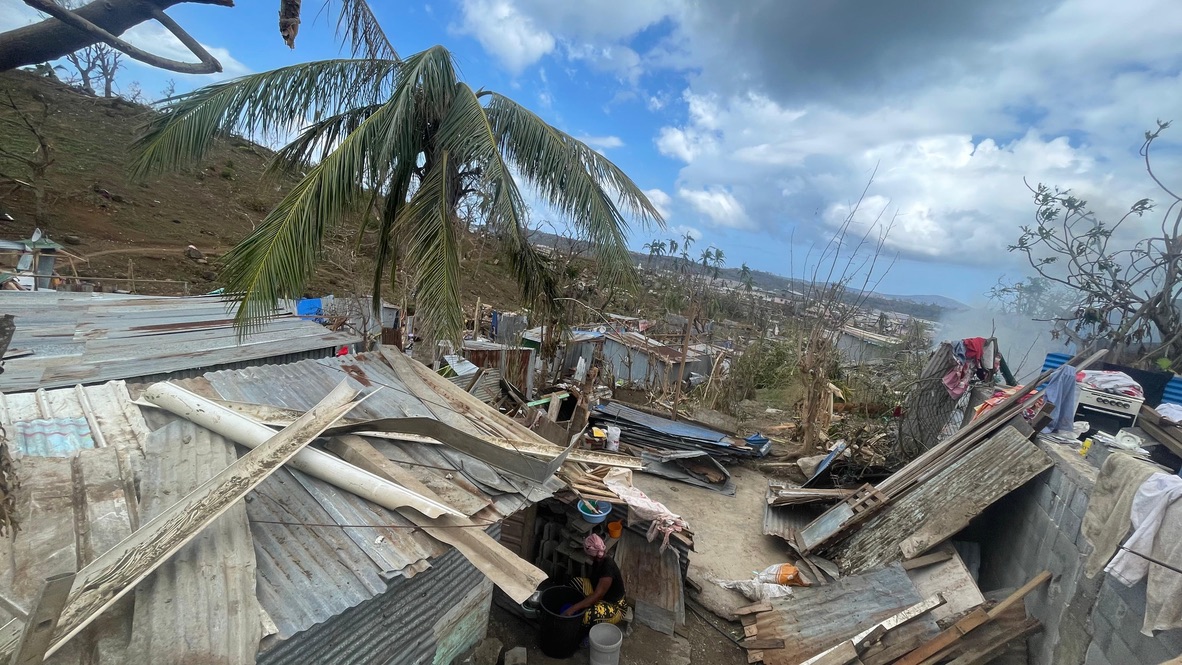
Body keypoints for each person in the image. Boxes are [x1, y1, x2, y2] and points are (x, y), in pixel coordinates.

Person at [562, 533, 627, 625]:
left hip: (614, 605)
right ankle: (585, 605)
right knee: (575, 582)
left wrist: (573, 609)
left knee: (586, 616)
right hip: (600, 594)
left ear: (591, 555)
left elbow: (597, 596)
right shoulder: (598, 559)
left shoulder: (608, 569)